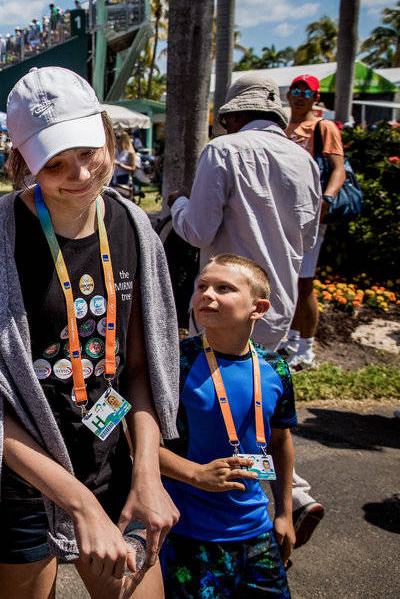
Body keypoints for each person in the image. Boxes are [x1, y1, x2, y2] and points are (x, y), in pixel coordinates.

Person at [0, 67, 180, 598]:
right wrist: (78, 503)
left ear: (108, 137)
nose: (81, 174)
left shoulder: (135, 228)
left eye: (90, 151)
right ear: (23, 162)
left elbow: (141, 371)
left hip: (114, 466)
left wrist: (148, 477)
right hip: (24, 485)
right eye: (55, 163)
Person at [160, 255, 296, 598]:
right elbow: (131, 435)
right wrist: (194, 473)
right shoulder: (175, 362)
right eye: (202, 286)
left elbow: (280, 441)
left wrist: (285, 513)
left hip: (258, 531)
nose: (207, 294)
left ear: (258, 308)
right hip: (190, 534)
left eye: (224, 288)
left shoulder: (274, 368)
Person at [169, 75, 321, 351]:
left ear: (235, 115)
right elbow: (307, 241)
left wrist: (179, 204)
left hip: (222, 311)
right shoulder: (305, 161)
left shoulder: (223, 149)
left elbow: (198, 231)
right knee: (256, 388)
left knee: (214, 389)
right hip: (276, 310)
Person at [282, 74, 347, 370]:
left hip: (311, 216)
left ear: (315, 98)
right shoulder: (281, 127)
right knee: (286, 279)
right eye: (294, 91)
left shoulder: (324, 127)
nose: (298, 96)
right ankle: (291, 340)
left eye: (305, 92)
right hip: (283, 214)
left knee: (304, 282)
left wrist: (327, 200)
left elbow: (338, 169)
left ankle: (307, 348)